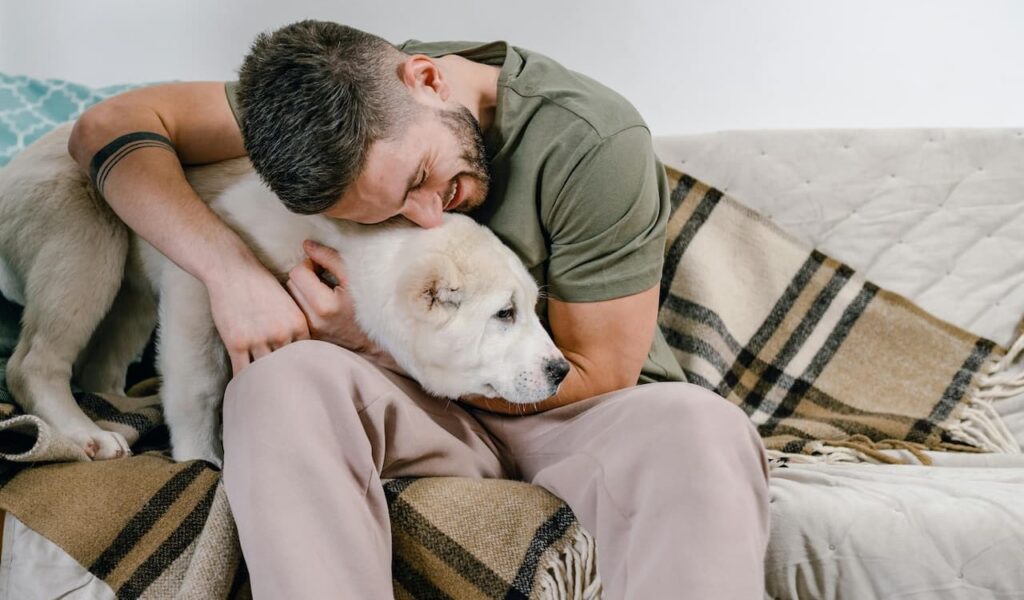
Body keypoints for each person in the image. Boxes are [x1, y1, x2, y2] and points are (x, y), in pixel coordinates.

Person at [68, 20, 770, 599]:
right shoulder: (315, 116)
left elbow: (602, 370)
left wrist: (373, 342)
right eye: (395, 211)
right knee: (278, 384)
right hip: (409, 409)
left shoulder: (588, 138)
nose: (430, 214)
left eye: (422, 178)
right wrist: (230, 272)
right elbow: (109, 127)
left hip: (567, 410)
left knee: (699, 423)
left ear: (427, 78)